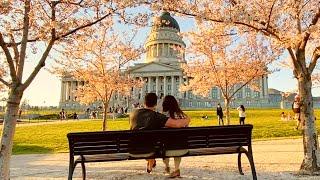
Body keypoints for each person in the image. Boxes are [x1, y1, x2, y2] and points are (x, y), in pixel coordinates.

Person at [129, 93, 190, 174]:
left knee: (152, 143)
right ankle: (155, 161)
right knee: (155, 145)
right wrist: (188, 119)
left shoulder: (133, 114)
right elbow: (177, 124)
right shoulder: (157, 116)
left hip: (132, 150)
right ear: (156, 103)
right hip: (153, 149)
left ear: (144, 102)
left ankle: (154, 162)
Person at [162, 95, 189, 178]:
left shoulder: (162, 116)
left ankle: (166, 166)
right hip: (182, 148)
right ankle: (177, 169)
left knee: (164, 144)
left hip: (167, 149)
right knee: (178, 142)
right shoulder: (183, 116)